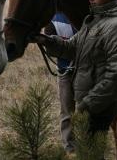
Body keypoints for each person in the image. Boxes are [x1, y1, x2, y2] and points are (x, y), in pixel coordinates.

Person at [32, 0, 117, 135]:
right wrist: (46, 40)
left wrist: (88, 103)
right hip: (89, 100)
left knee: (90, 150)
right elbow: (72, 48)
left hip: (99, 104)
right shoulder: (94, 20)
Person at [43, 13, 76, 155]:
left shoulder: (83, 11)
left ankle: (89, 146)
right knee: (67, 110)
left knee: (87, 109)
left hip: (86, 71)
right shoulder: (53, 18)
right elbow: (50, 47)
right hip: (65, 72)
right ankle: (70, 149)